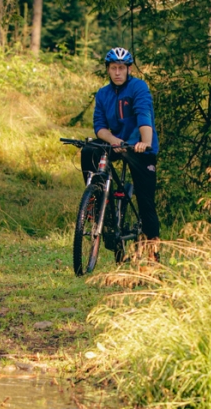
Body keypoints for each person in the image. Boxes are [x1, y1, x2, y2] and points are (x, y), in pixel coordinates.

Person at [81, 47, 160, 261]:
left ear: (128, 69)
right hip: (116, 145)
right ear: (108, 69)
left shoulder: (138, 88)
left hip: (139, 147)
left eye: (121, 68)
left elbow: (144, 116)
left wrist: (145, 142)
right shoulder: (103, 94)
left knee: (146, 203)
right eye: (113, 68)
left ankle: (154, 255)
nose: (117, 72)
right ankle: (98, 203)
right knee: (88, 150)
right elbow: (99, 127)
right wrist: (115, 141)